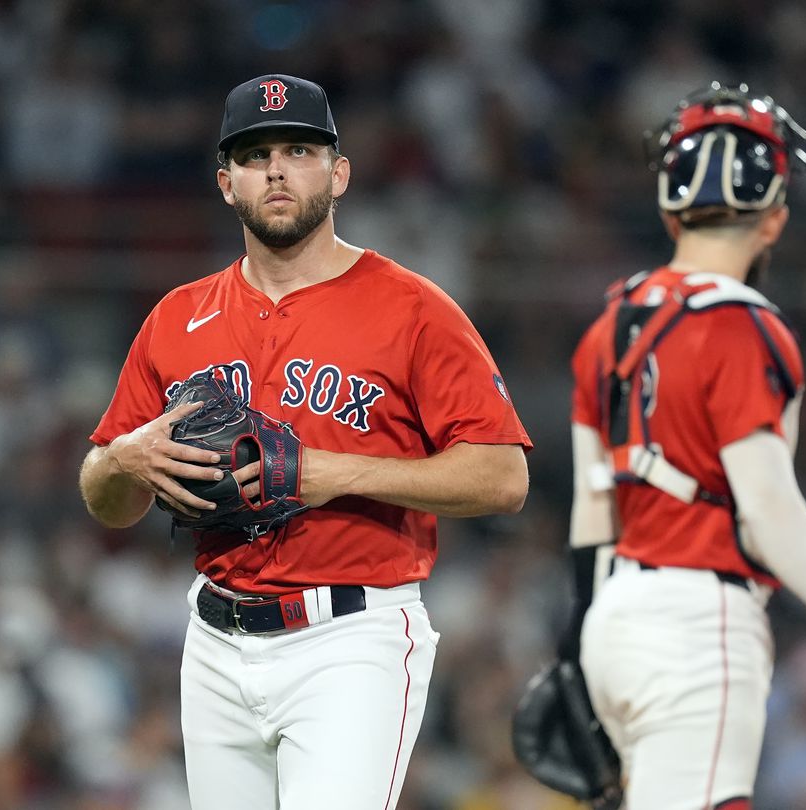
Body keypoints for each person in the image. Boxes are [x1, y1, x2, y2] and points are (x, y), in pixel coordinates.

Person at [77, 74, 532, 809]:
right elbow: (109, 502)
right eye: (256, 156)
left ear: (339, 173)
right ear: (227, 183)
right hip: (216, 640)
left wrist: (334, 471)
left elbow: (502, 477)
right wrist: (119, 460)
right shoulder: (176, 316)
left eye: (299, 149)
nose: (278, 169)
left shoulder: (414, 309)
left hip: (350, 639)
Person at [564, 82, 806, 809]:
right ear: (774, 221)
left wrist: (578, 641)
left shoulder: (608, 326)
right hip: (696, 618)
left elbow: (591, 512)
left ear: (670, 211)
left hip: (612, 620)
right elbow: (766, 505)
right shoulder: (743, 326)